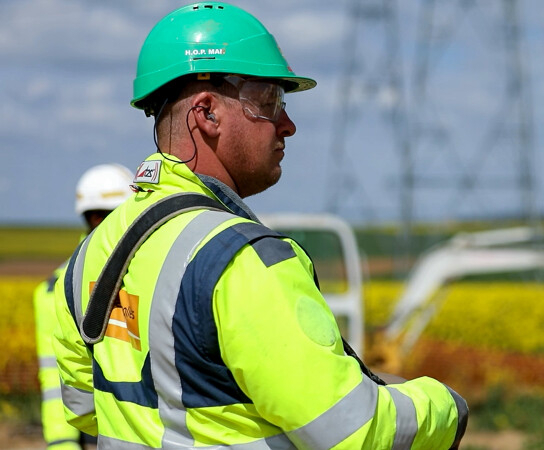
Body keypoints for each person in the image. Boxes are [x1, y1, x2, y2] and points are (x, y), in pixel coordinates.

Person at [52, 3, 468, 449]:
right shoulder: (243, 261)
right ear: (207, 113)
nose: (287, 125)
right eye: (269, 102)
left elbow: (84, 408)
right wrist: (446, 407)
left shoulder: (92, 253)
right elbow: (357, 431)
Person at [34, 163, 133, 449]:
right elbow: (55, 377)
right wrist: (62, 442)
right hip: (95, 434)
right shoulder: (58, 288)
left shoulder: (151, 270)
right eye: (98, 216)